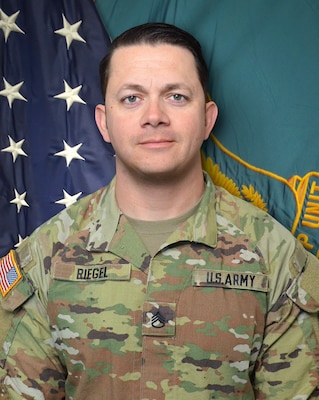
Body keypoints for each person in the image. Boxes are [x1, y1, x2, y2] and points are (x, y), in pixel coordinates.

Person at [0, 22, 318, 400]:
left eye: (177, 97)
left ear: (208, 118)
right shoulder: (44, 256)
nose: (154, 116)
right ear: (104, 121)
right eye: (132, 98)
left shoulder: (277, 258)